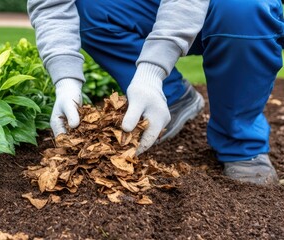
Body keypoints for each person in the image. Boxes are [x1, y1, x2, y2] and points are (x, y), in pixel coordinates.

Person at [27, 0, 283, 185]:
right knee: (91, 8)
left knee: (245, 8)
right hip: (148, 8)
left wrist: (152, 71)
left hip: (227, 11)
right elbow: (52, 6)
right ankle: (172, 98)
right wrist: (65, 80)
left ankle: (241, 143)